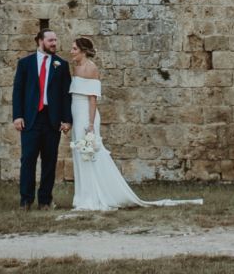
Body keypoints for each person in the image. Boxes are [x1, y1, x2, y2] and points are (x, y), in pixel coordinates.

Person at [66, 36, 202, 211]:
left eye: (74, 49)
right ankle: (83, 195)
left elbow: (92, 99)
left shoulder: (92, 69)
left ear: (83, 51)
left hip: (87, 116)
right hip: (76, 114)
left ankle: (95, 196)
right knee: (80, 154)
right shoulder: (75, 68)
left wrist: (91, 124)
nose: (71, 51)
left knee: (90, 154)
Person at [11, 27, 71, 208]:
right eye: (50, 40)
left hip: (52, 120)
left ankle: (45, 200)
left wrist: (67, 120)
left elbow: (66, 95)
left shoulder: (61, 64)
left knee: (49, 161)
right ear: (40, 41)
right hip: (30, 118)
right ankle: (26, 200)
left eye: (55, 40)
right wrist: (18, 116)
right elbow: (18, 91)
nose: (54, 43)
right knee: (27, 160)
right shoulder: (25, 64)